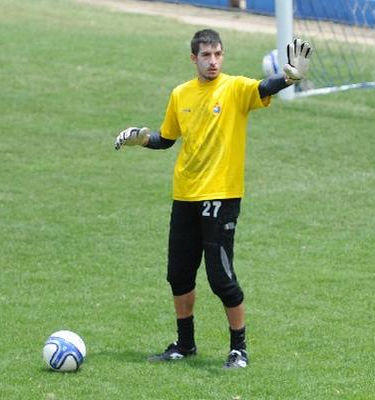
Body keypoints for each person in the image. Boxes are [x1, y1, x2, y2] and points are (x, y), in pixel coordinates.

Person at [114, 29, 311, 369]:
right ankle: (185, 344)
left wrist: (288, 77)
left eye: (218, 54)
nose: (213, 61)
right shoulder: (181, 94)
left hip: (221, 194)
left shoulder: (234, 88)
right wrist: (143, 139)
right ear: (194, 58)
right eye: (206, 56)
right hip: (185, 194)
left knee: (220, 277)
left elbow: (263, 87)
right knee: (178, 274)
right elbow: (167, 138)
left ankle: (239, 349)